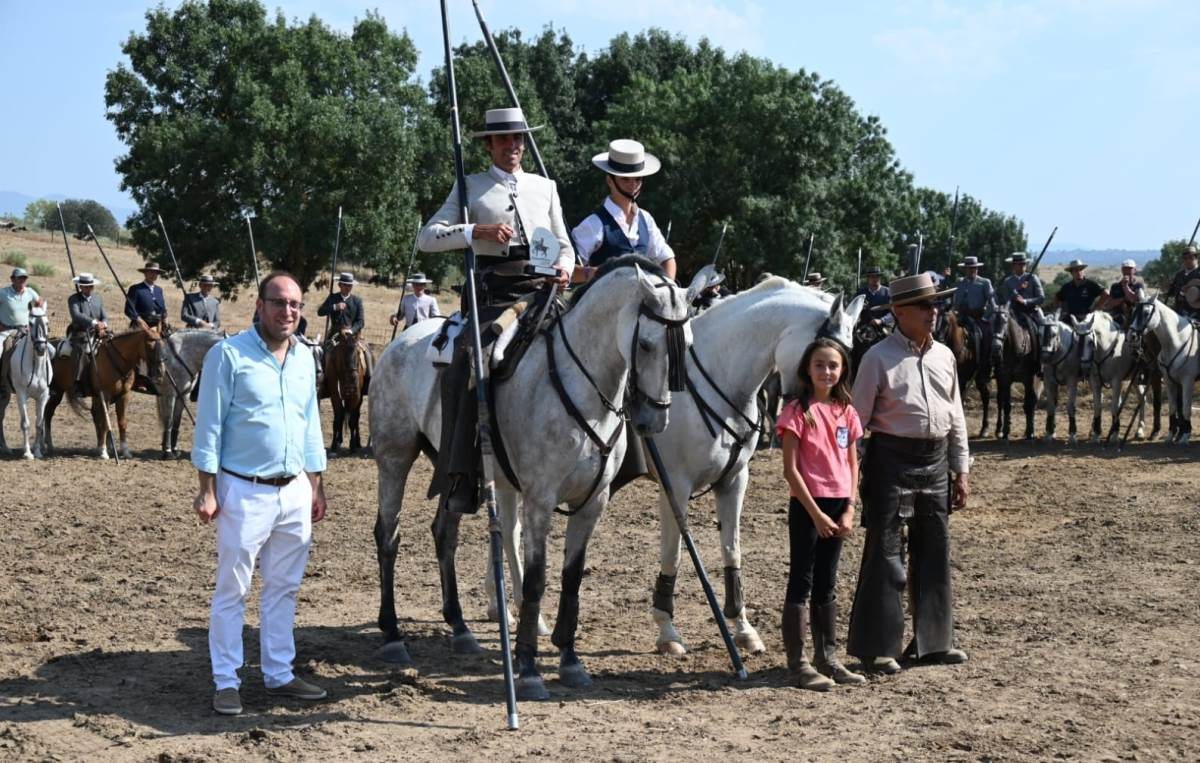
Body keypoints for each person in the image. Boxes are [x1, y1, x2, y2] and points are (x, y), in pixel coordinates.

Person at [417, 106, 574, 513]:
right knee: (470, 361)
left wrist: (565, 268)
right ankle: (461, 471)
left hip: (543, 293)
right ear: (488, 145)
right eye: (504, 139)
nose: (513, 146)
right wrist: (474, 232)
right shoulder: (470, 186)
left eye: (518, 138)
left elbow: (565, 245)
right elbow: (427, 238)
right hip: (494, 297)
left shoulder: (546, 187)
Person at [192, 271, 328, 717]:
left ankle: (279, 673)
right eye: (279, 302)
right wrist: (206, 490)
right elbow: (209, 426)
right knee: (233, 589)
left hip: (294, 491)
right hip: (243, 490)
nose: (288, 311)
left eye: (295, 304)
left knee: (284, 587)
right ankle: (226, 681)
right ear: (259, 305)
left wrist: (316, 484)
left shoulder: (305, 358)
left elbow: (310, 425)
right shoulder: (228, 355)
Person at [848, 272, 970, 673]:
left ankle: (934, 643)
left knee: (935, 551)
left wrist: (961, 469)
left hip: (936, 461)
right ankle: (877, 648)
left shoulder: (945, 356)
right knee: (885, 553)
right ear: (899, 312)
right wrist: (850, 474)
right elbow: (856, 423)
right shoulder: (876, 358)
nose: (933, 312)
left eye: (935, 304)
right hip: (890, 460)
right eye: (923, 305)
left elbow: (956, 417)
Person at [776, 337, 866, 691]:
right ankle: (798, 663)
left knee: (827, 580)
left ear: (842, 370)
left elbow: (853, 464)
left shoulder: (847, 412)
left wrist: (850, 509)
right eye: (819, 365)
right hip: (808, 505)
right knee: (802, 578)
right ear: (807, 369)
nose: (826, 371)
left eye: (833, 365)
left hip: (839, 504)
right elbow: (791, 471)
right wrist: (814, 514)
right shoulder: (797, 412)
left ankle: (827, 657)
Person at [571, 138, 676, 282]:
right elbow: (569, 270)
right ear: (610, 180)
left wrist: (667, 287)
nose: (633, 185)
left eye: (638, 179)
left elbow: (667, 258)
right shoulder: (594, 223)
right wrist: (598, 273)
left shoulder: (646, 219)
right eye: (625, 179)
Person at [0, 267, 46, 390]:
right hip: (5, 331)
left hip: (25, 331)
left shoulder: (29, 292)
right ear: (12, 279)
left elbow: (39, 301)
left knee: (48, 349)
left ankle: (48, 381)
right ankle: (2, 381)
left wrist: (38, 310)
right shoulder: (3, 293)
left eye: (24, 278)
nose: (22, 280)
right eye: (19, 278)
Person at [65, 272, 109, 390]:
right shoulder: (73, 299)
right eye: (86, 286)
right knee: (81, 350)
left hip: (99, 331)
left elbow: (104, 316)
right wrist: (94, 323)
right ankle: (78, 382)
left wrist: (103, 325)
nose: (89, 288)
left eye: (90, 286)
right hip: (81, 331)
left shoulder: (98, 298)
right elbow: (76, 315)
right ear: (81, 286)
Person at [999, 252, 1044, 333]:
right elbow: (1006, 300)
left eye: (1024, 264)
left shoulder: (1033, 278)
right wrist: (1017, 290)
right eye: (1019, 264)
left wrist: (1025, 301)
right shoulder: (1007, 281)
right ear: (1013, 265)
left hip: (1031, 312)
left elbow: (1041, 298)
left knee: (1043, 331)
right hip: (1013, 314)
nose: (1022, 266)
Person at [316, 272, 365, 340]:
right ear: (339, 285)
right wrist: (334, 307)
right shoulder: (332, 298)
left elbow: (360, 321)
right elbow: (320, 312)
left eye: (349, 285)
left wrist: (351, 330)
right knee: (326, 346)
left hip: (351, 335)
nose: (347, 287)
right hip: (335, 334)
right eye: (345, 285)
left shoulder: (357, 301)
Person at [1097, 259, 1145, 326]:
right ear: (1122, 270)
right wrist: (1123, 299)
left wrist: (1125, 286)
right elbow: (1110, 304)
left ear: (1134, 270)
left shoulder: (1138, 285)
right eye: (1125, 269)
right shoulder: (1115, 286)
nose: (1127, 271)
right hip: (1117, 319)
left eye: (1130, 269)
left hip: (1134, 320)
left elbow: (1135, 299)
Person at [124, 261, 168, 329]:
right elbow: (129, 309)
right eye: (151, 272)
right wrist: (139, 320)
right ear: (145, 273)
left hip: (158, 326)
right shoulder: (136, 289)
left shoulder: (159, 290)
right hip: (140, 326)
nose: (153, 275)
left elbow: (163, 309)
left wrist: (165, 318)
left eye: (156, 273)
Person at [1163, 245, 1200, 318]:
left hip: (1197, 315)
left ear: (1196, 258)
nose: (1188, 260)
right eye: (1185, 258)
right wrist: (1168, 288)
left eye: (1191, 257)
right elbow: (1173, 292)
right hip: (1179, 312)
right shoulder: (1179, 275)